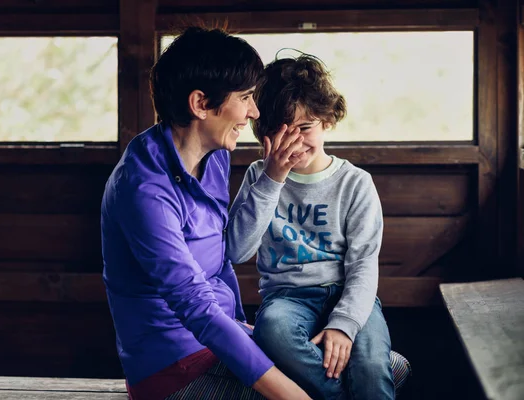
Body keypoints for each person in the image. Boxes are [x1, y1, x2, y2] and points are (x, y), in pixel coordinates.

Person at [101, 27, 311, 400]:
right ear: (200, 103)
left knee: (382, 366)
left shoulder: (214, 157)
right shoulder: (142, 189)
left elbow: (221, 259)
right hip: (171, 368)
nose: (254, 111)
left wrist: (245, 330)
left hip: (222, 338)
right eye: (245, 97)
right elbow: (193, 302)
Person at [226, 54, 399, 399]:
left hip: (346, 291)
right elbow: (236, 250)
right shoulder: (259, 177)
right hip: (286, 297)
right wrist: (273, 180)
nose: (293, 141)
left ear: (327, 121)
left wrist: (344, 325)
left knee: (370, 366)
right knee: (271, 330)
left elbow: (364, 265)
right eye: (280, 130)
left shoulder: (355, 183)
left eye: (304, 128)